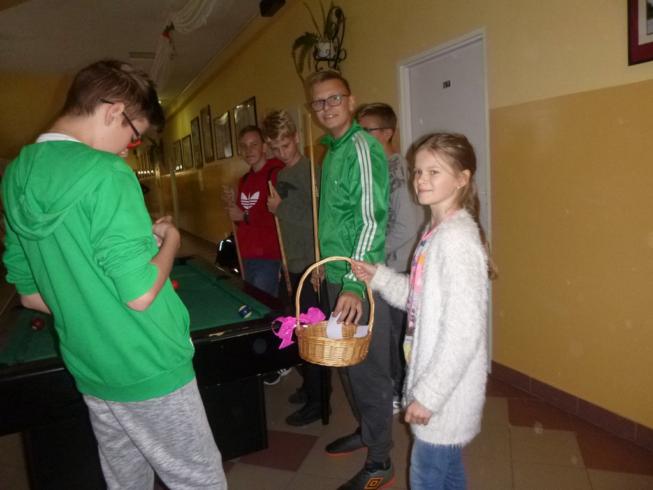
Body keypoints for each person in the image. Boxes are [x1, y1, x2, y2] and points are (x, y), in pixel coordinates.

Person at [2, 59, 227, 489]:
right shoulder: (108, 172)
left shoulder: (16, 175)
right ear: (113, 111)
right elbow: (140, 293)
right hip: (148, 359)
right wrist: (171, 241)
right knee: (200, 481)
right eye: (133, 134)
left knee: (127, 481)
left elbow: (30, 294)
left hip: (91, 364)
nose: (128, 148)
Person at [352, 132, 490, 490]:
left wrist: (429, 396)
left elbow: (464, 332)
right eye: (417, 171)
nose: (421, 180)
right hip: (437, 381)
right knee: (448, 470)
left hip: (446, 391)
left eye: (433, 172)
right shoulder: (435, 231)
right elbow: (420, 300)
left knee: (427, 475)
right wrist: (379, 276)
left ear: (462, 179)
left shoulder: (455, 240)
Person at [305, 70, 392, 490]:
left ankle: (381, 461)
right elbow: (337, 218)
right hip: (337, 277)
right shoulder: (332, 151)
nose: (327, 107)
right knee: (347, 367)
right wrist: (324, 264)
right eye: (319, 102)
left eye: (334, 98)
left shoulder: (362, 147)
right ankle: (366, 431)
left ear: (351, 101)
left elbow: (372, 221)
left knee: (368, 374)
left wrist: (355, 286)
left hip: (360, 285)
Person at [261, 109, 330, 426]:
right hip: (293, 264)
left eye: (286, 145)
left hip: (312, 266)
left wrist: (281, 208)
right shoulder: (281, 175)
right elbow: (287, 226)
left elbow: (319, 221)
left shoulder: (311, 172)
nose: (281, 153)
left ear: (297, 138)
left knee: (313, 335)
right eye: (275, 148)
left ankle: (319, 401)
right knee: (299, 330)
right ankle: (310, 387)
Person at [355, 102, 425, 414]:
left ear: (387, 133)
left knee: (398, 335)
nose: (359, 137)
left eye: (365, 131)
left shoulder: (396, 171)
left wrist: (373, 256)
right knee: (393, 333)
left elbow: (406, 227)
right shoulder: (379, 168)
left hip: (397, 266)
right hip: (387, 265)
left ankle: (400, 391)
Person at [224, 125, 284, 298]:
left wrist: (244, 215)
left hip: (268, 256)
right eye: (244, 146)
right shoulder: (244, 180)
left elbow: (280, 216)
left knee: (262, 304)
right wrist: (232, 206)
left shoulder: (276, 174)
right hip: (246, 254)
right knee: (252, 301)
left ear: (264, 147)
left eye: (254, 144)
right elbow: (240, 220)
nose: (248, 150)